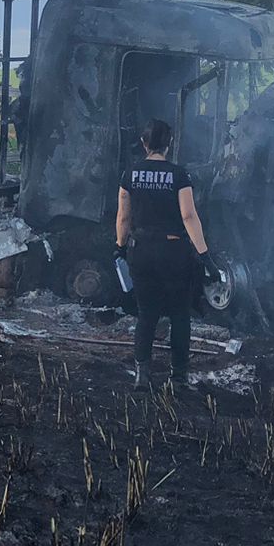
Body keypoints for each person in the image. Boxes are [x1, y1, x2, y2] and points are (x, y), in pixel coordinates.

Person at [115, 118, 214, 389]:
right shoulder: (179, 175)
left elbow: (123, 217)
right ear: (169, 144)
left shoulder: (130, 174)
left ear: (144, 143)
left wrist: (120, 247)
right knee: (180, 315)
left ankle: (142, 376)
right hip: (174, 252)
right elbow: (188, 215)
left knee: (146, 315)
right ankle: (178, 379)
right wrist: (205, 256)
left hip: (142, 252)